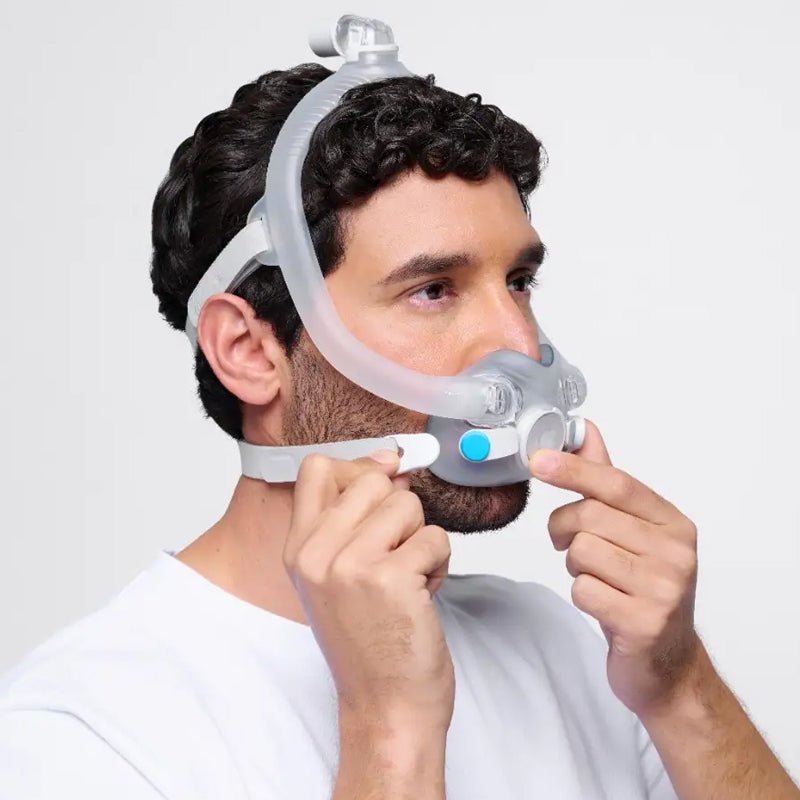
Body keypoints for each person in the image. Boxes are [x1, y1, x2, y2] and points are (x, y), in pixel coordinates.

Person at [0, 61, 797, 800]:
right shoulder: (85, 734)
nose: (520, 346)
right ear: (248, 351)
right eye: (433, 290)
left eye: (519, 281)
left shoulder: (565, 643)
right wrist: (390, 729)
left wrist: (679, 685)